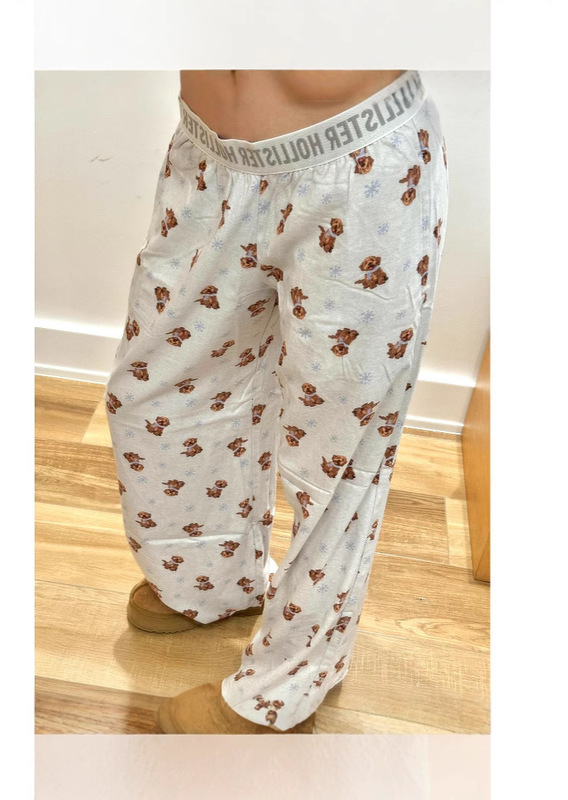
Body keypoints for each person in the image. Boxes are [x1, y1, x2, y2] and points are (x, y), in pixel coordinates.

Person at [104, 69, 449, 734]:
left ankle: (284, 688)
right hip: (208, 158)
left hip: (358, 164)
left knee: (338, 454)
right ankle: (208, 579)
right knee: (152, 393)